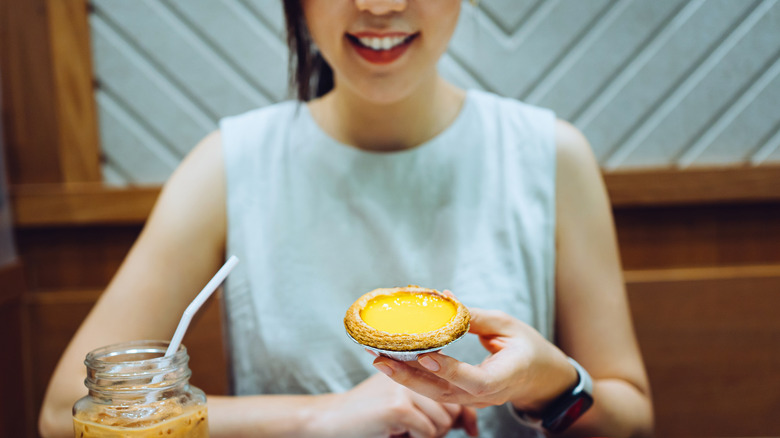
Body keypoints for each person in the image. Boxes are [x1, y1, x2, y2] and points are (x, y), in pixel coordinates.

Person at [39, 0, 653, 436]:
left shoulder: (550, 155)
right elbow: (66, 409)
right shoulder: (230, 166)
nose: (379, 4)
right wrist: (315, 419)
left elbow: (632, 415)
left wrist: (549, 383)